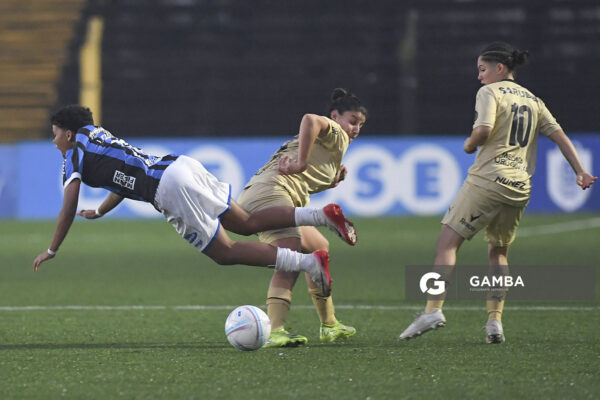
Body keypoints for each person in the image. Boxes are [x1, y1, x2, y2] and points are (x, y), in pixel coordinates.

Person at [33, 105, 362, 298]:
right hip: (181, 166)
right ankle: (321, 215)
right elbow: (123, 177)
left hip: (168, 188)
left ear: (69, 134)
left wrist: (52, 249)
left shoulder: (73, 153)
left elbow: (68, 207)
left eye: (55, 133)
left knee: (226, 252)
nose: (54, 140)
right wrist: (102, 210)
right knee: (244, 222)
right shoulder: (97, 133)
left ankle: (309, 264)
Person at [399, 42, 597, 344]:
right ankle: (494, 322)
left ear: (499, 68)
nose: (479, 77)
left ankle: (432, 310)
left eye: (482, 69)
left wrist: (469, 144)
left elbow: (483, 130)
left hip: (489, 179)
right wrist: (580, 171)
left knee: (447, 243)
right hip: (519, 187)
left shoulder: (490, 92)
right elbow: (560, 136)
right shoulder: (534, 100)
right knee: (499, 251)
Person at [237, 88, 367, 347]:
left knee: (318, 247)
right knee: (291, 257)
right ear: (334, 116)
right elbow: (310, 119)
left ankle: (329, 325)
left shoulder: (330, 149)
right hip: (271, 194)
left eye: (361, 125)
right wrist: (301, 164)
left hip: (265, 196)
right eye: (352, 121)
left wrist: (330, 180)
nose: (355, 129)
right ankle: (275, 330)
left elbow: (306, 173)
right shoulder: (335, 132)